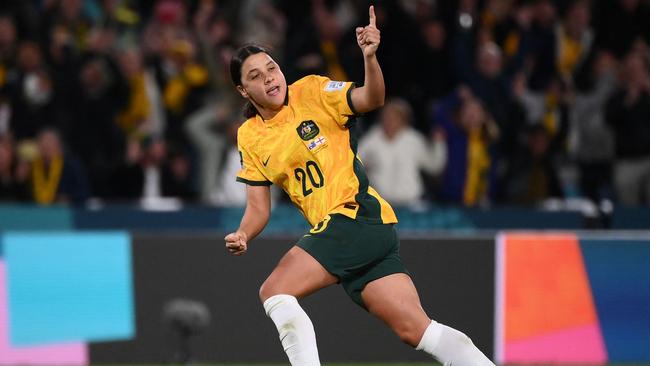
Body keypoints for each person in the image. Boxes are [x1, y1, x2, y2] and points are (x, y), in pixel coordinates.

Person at [224, 6, 494, 366]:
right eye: (256, 76)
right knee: (417, 330)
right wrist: (244, 233)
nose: (270, 78)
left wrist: (370, 58)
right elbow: (259, 208)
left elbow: (372, 98)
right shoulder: (250, 136)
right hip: (359, 233)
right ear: (243, 90)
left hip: (353, 216)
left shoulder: (313, 90)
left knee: (274, 291)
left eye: (271, 67)